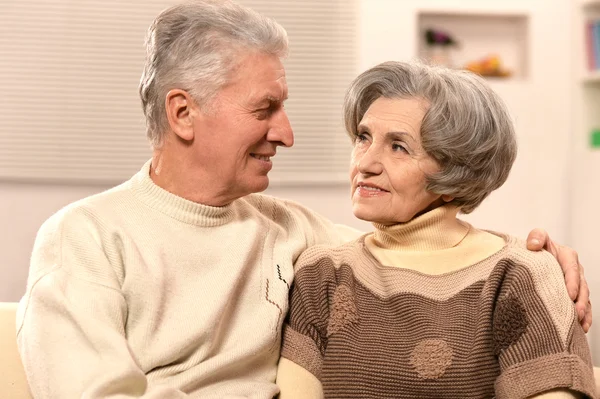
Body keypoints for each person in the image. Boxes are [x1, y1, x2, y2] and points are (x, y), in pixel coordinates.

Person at [16, 1, 591, 398]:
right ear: (183, 113)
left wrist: (538, 256)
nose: (287, 133)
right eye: (264, 109)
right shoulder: (85, 238)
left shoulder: (289, 231)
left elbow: (426, 249)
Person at [276, 61, 597, 398]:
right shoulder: (322, 272)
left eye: (398, 147)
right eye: (363, 137)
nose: (365, 164)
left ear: (454, 173)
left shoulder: (518, 273)